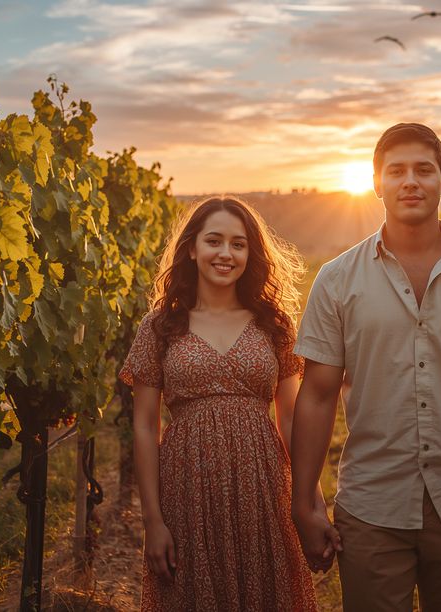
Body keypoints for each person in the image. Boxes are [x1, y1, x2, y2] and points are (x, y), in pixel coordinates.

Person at [290, 123, 441, 611]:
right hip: (371, 509)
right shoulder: (337, 279)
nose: (411, 181)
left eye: (424, 170)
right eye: (397, 170)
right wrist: (305, 503)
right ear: (377, 182)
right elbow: (317, 394)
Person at [119, 196, 328, 611]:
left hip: (261, 485)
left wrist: (313, 503)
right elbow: (144, 427)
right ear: (192, 247)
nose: (226, 254)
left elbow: (290, 421)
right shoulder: (160, 327)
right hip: (185, 489)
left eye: (238, 244)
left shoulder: (274, 324)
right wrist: (152, 521)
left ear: (251, 254)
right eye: (214, 241)